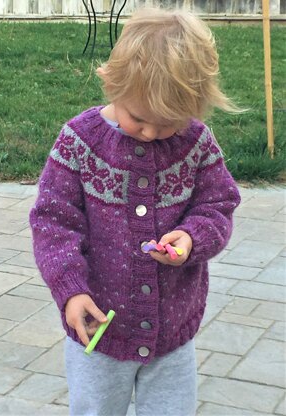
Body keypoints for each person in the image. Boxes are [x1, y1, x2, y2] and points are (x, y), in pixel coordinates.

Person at [30, 7, 241, 416]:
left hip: (173, 333)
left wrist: (193, 237)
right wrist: (70, 291)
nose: (151, 133)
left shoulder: (196, 143)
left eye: (169, 124)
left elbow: (218, 204)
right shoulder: (79, 143)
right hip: (97, 329)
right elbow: (53, 222)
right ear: (113, 83)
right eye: (139, 118)